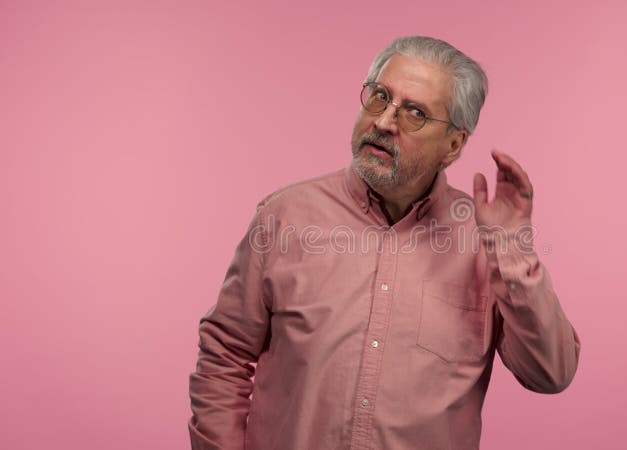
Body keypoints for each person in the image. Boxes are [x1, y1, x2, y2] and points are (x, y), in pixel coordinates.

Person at [188, 35, 580, 450]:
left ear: (453, 145)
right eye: (379, 97)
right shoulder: (284, 216)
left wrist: (511, 250)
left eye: (414, 112)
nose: (384, 121)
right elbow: (224, 356)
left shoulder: (485, 245)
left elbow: (551, 374)